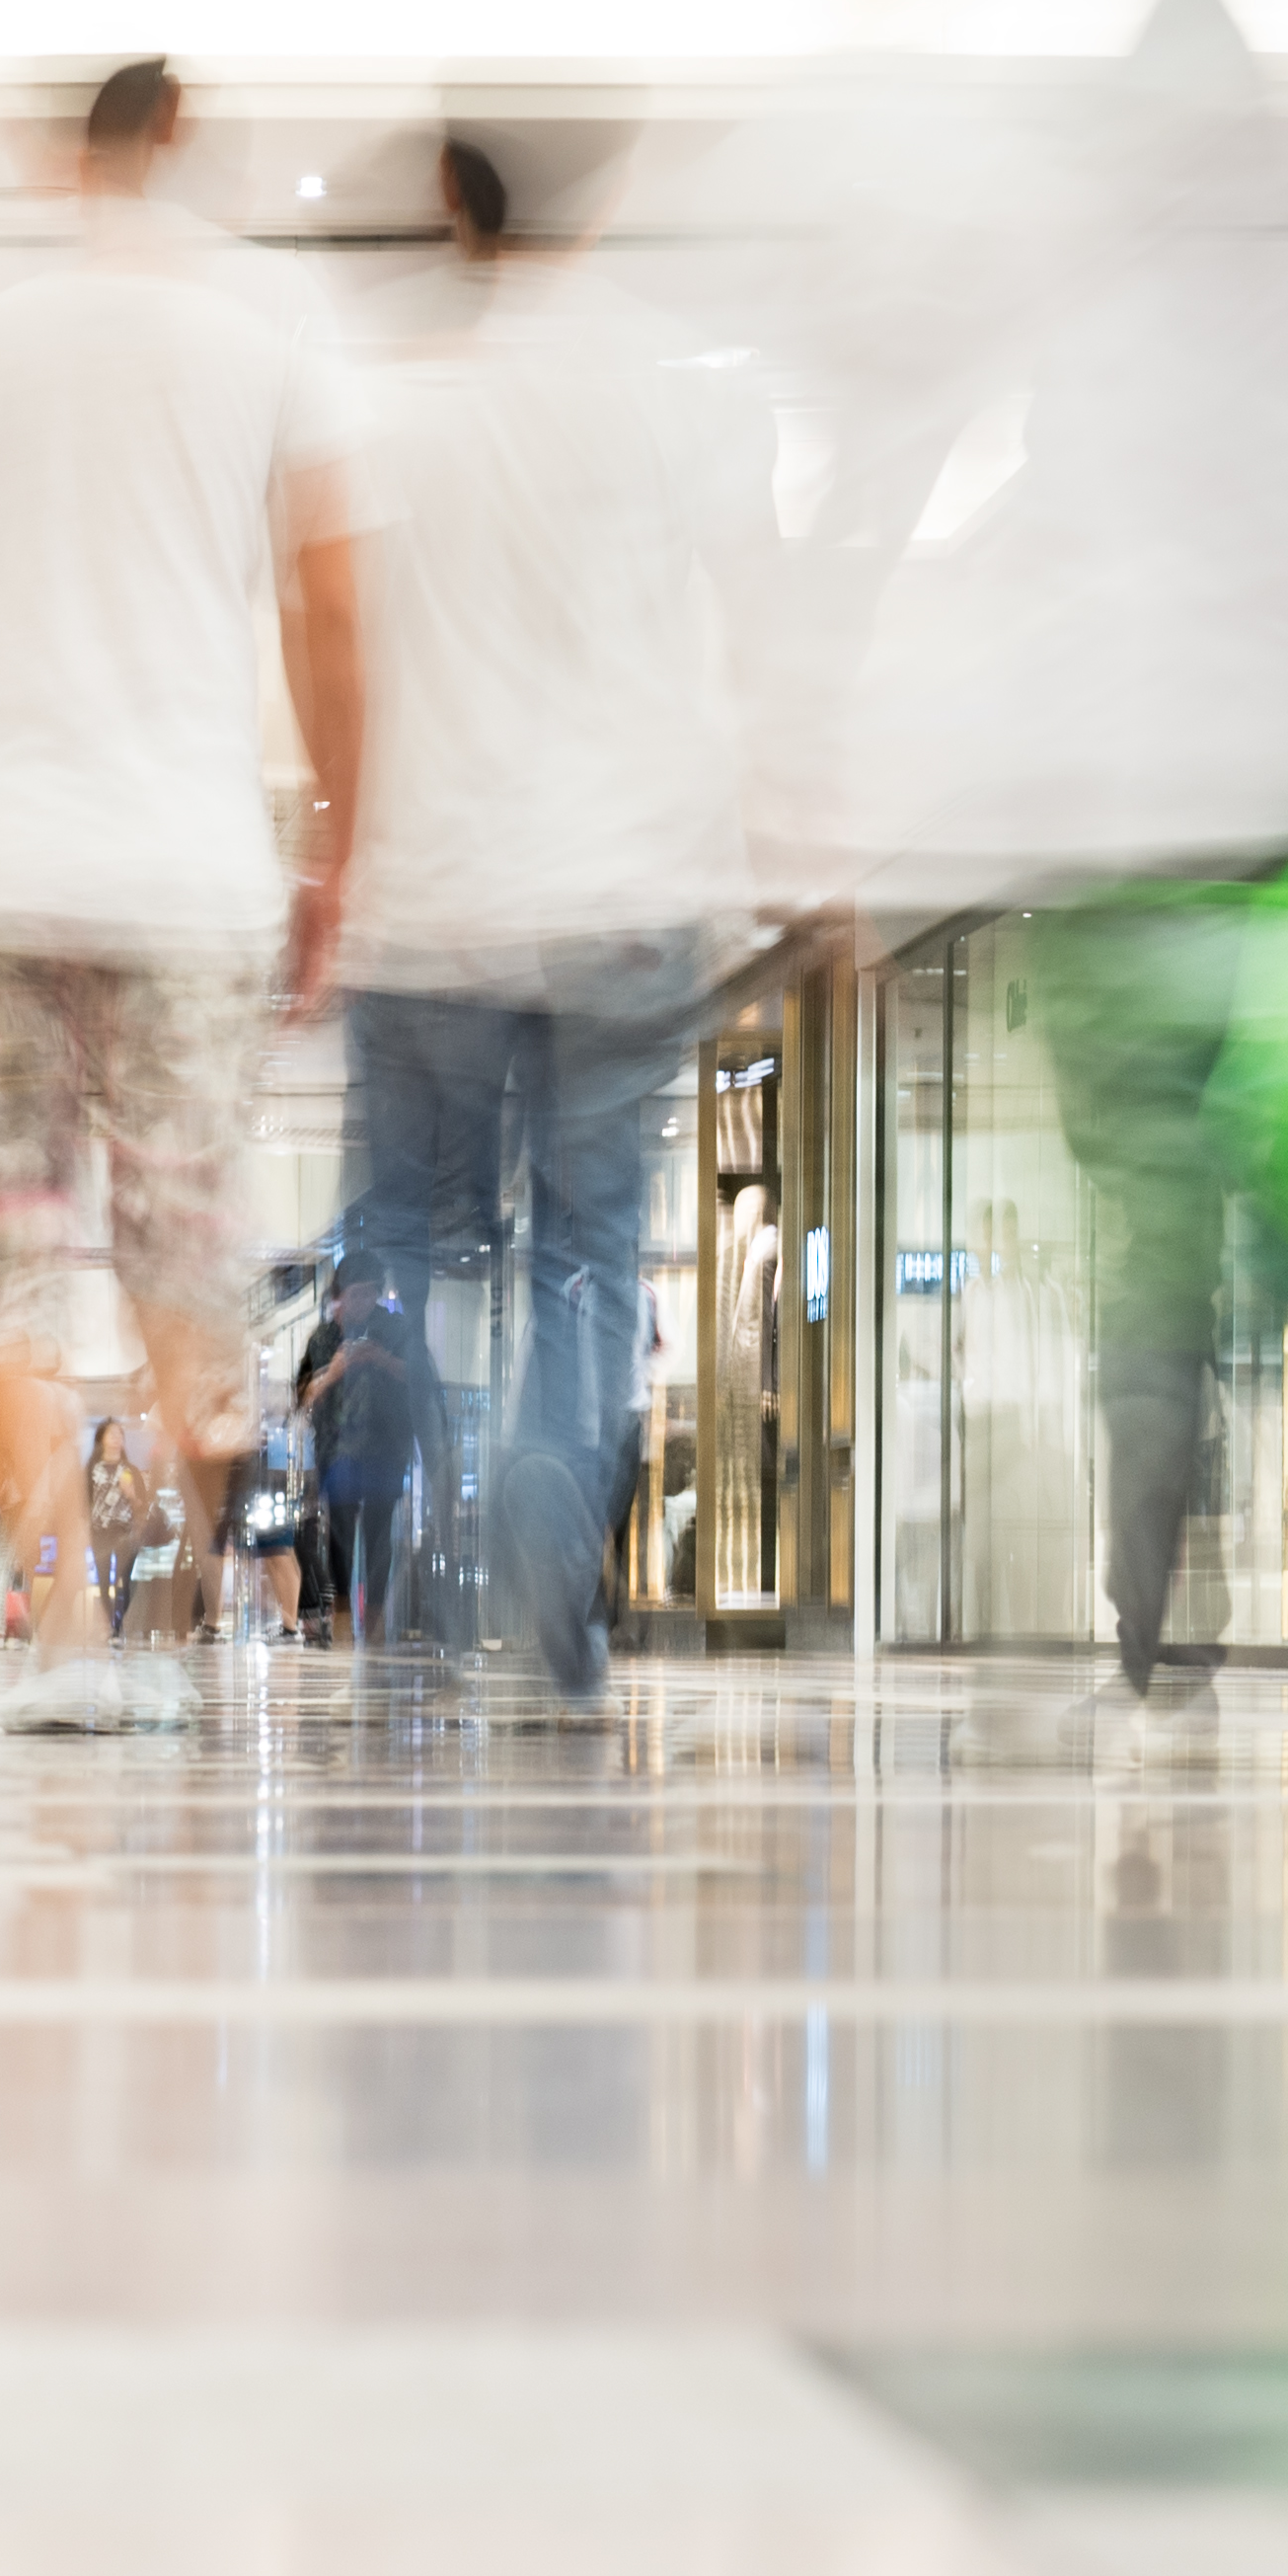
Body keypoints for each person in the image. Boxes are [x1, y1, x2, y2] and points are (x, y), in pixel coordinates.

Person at [0, 58, 366, 1742]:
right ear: (180, 141)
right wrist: (338, 842)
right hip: (183, 866)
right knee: (182, 1245)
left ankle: (65, 1618)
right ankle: (185, 1604)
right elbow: (329, 610)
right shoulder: (264, 336)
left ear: (53, 151)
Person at [323, 129, 755, 1715]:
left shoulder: (387, 383)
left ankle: (385, 1481)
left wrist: (335, 857)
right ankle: (553, 1477)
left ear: (453, 190)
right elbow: (747, 614)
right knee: (586, 1242)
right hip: (624, 889)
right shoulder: (675, 384)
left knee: (404, 1225)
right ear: (611, 184)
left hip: (430, 892)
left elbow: (332, 631)